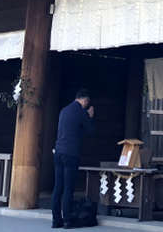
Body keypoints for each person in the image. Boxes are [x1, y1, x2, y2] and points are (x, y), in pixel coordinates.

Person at [52, 89, 95, 228]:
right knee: (68, 188)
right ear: (85, 101)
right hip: (71, 153)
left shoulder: (64, 110)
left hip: (58, 151)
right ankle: (68, 220)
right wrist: (90, 116)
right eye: (86, 103)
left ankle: (56, 220)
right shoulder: (82, 112)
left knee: (58, 187)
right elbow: (90, 131)